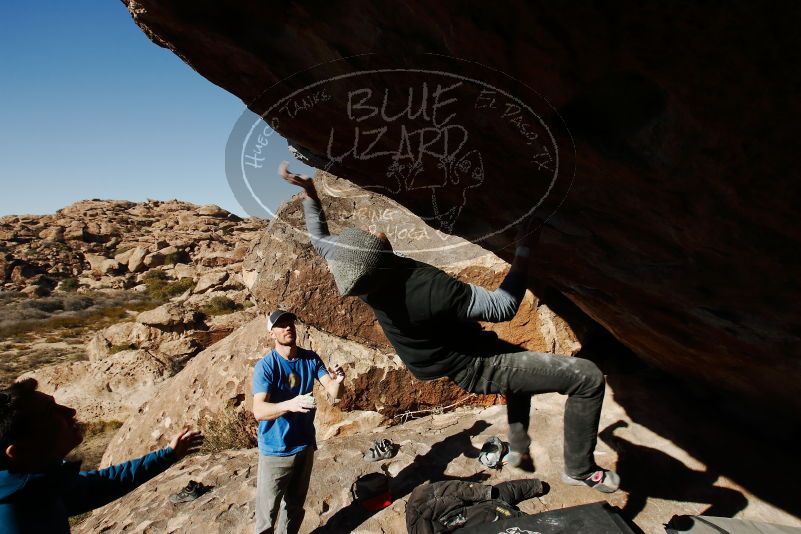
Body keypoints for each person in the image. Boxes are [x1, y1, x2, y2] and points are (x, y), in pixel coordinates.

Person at [280, 161, 619, 493]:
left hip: (459, 352)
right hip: (476, 363)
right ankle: (581, 470)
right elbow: (504, 306)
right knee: (586, 377)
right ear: (379, 259)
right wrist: (525, 247)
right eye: (369, 237)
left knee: (521, 369)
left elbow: (319, 237)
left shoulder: (363, 278)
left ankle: (517, 449)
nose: (370, 229)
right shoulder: (425, 288)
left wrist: (310, 191)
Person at [0, 378, 203, 533]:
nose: (70, 411)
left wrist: (167, 455)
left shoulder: (35, 487)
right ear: (20, 452)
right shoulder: (17, 518)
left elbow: (102, 484)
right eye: (51, 412)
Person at [252, 309, 347, 534]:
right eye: (281, 325)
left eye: (290, 323)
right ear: (272, 333)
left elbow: (335, 393)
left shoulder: (310, 359)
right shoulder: (266, 366)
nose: (288, 328)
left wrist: (340, 381)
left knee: (294, 507)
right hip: (276, 450)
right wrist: (289, 405)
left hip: (304, 445)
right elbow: (259, 410)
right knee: (267, 515)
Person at [406, 478, 547, 533]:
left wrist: (536, 486)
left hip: (491, 509)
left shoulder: (421, 503)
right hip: (497, 515)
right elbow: (465, 490)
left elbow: (508, 490)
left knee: (499, 494)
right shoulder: (422, 501)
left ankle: (537, 486)